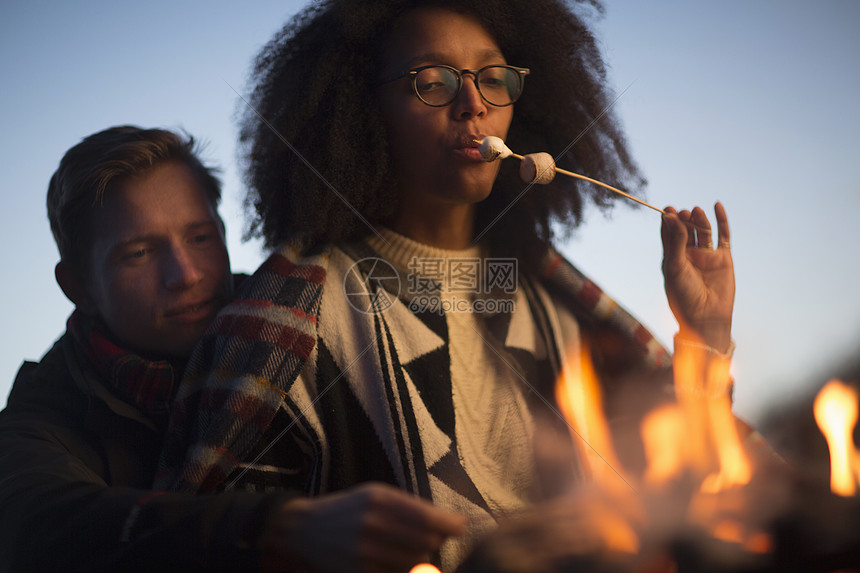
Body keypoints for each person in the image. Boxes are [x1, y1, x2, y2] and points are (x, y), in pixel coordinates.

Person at [154, 0, 741, 571]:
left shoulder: (556, 308)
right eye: (431, 81)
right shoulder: (295, 329)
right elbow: (226, 542)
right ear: (362, 110)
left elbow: (685, 493)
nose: (472, 104)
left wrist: (705, 337)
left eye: (493, 78)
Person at [1, 125, 463, 573]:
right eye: (138, 253)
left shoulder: (300, 319)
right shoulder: (43, 413)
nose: (185, 274)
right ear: (78, 286)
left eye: (200, 237)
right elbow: (39, 522)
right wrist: (278, 531)